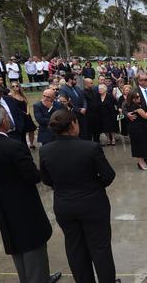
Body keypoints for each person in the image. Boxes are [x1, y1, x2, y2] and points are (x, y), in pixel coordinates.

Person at [0, 104, 61, 283]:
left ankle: (29, 278)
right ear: (3, 121)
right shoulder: (13, 146)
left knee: (15, 242)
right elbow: (32, 176)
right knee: (33, 243)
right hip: (23, 202)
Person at [39, 109, 117, 283]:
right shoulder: (90, 147)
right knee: (100, 248)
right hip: (93, 204)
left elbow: (46, 180)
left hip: (64, 205)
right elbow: (108, 176)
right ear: (73, 124)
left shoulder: (46, 150)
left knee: (75, 248)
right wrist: (92, 186)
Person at [124, 91, 147, 170]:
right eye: (137, 97)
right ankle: (141, 163)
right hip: (138, 129)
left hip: (134, 128)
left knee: (139, 145)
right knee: (140, 146)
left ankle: (142, 162)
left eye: (139, 96)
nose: (139, 98)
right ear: (133, 99)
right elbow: (145, 116)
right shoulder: (136, 107)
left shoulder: (128, 105)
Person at [9, 81, 38, 149]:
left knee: (31, 130)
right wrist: (22, 113)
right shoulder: (10, 96)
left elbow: (27, 103)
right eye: (13, 86)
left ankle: (31, 144)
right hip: (19, 116)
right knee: (22, 131)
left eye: (17, 86)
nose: (15, 87)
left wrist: (27, 112)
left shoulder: (22, 94)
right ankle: (23, 145)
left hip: (27, 115)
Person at [82, 78, 101, 143]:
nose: (93, 84)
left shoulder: (94, 91)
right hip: (88, 115)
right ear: (86, 84)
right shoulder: (83, 92)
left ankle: (97, 142)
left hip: (96, 114)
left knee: (97, 131)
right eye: (91, 83)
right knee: (89, 131)